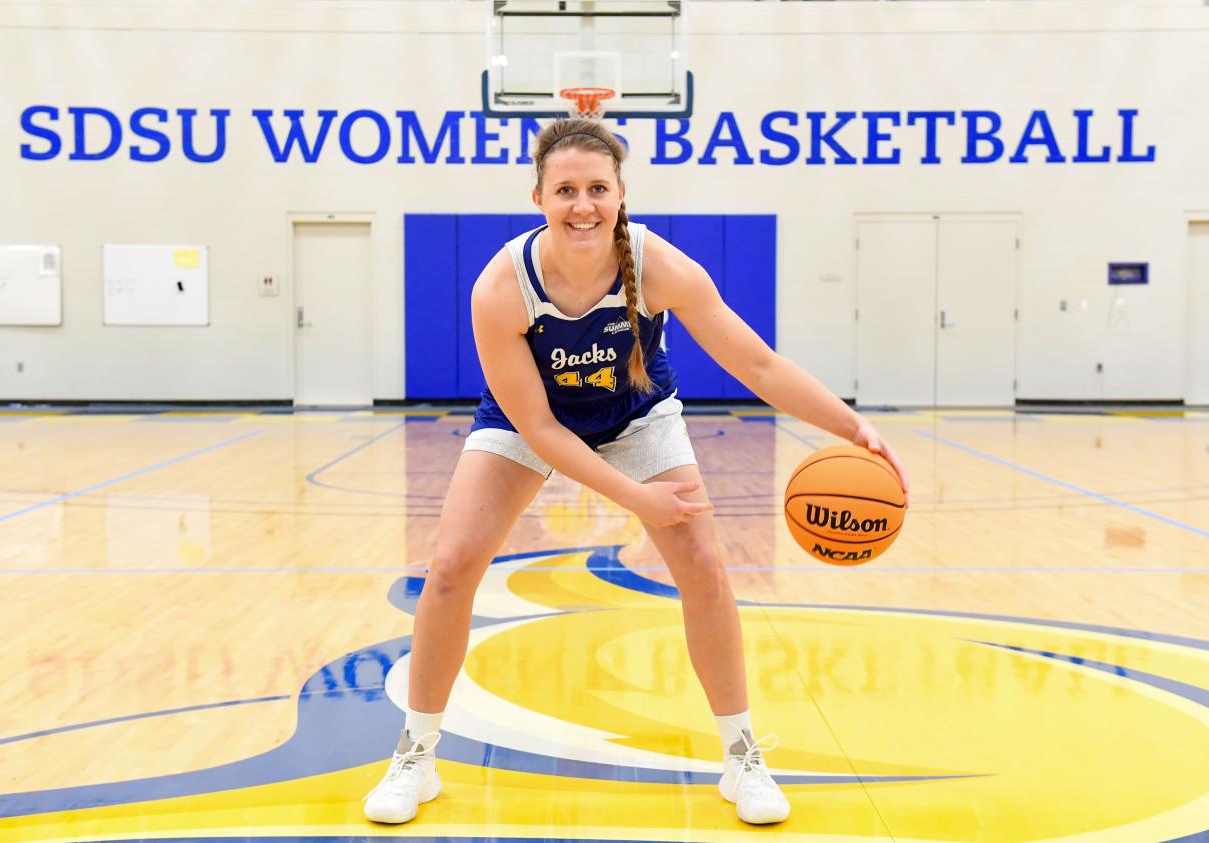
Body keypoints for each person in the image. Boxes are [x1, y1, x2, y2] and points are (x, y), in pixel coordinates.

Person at [363, 117, 909, 826]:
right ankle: (416, 752)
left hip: (638, 416)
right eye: (566, 190)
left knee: (705, 565)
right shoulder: (501, 287)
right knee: (451, 565)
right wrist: (634, 499)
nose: (582, 204)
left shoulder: (658, 267)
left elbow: (758, 364)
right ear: (538, 198)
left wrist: (852, 425)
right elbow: (539, 429)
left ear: (621, 195)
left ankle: (741, 754)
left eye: (597, 187)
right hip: (530, 425)